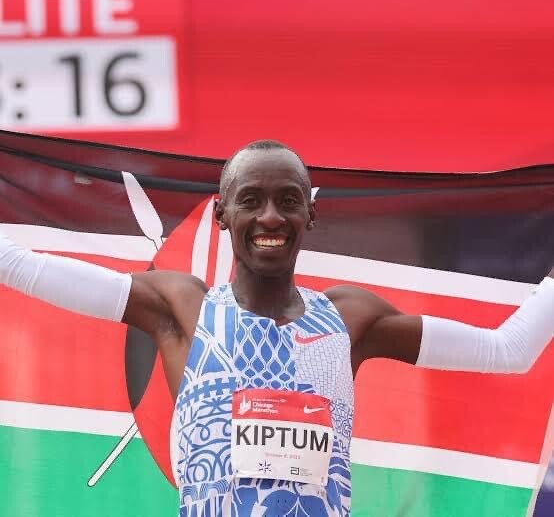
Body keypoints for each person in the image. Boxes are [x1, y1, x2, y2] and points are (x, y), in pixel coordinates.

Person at [0, 139, 553, 517]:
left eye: (288, 201)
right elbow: (19, 265)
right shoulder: (180, 308)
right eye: (251, 200)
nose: (270, 217)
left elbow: (509, 349)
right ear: (222, 215)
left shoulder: (349, 319)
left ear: (310, 215)